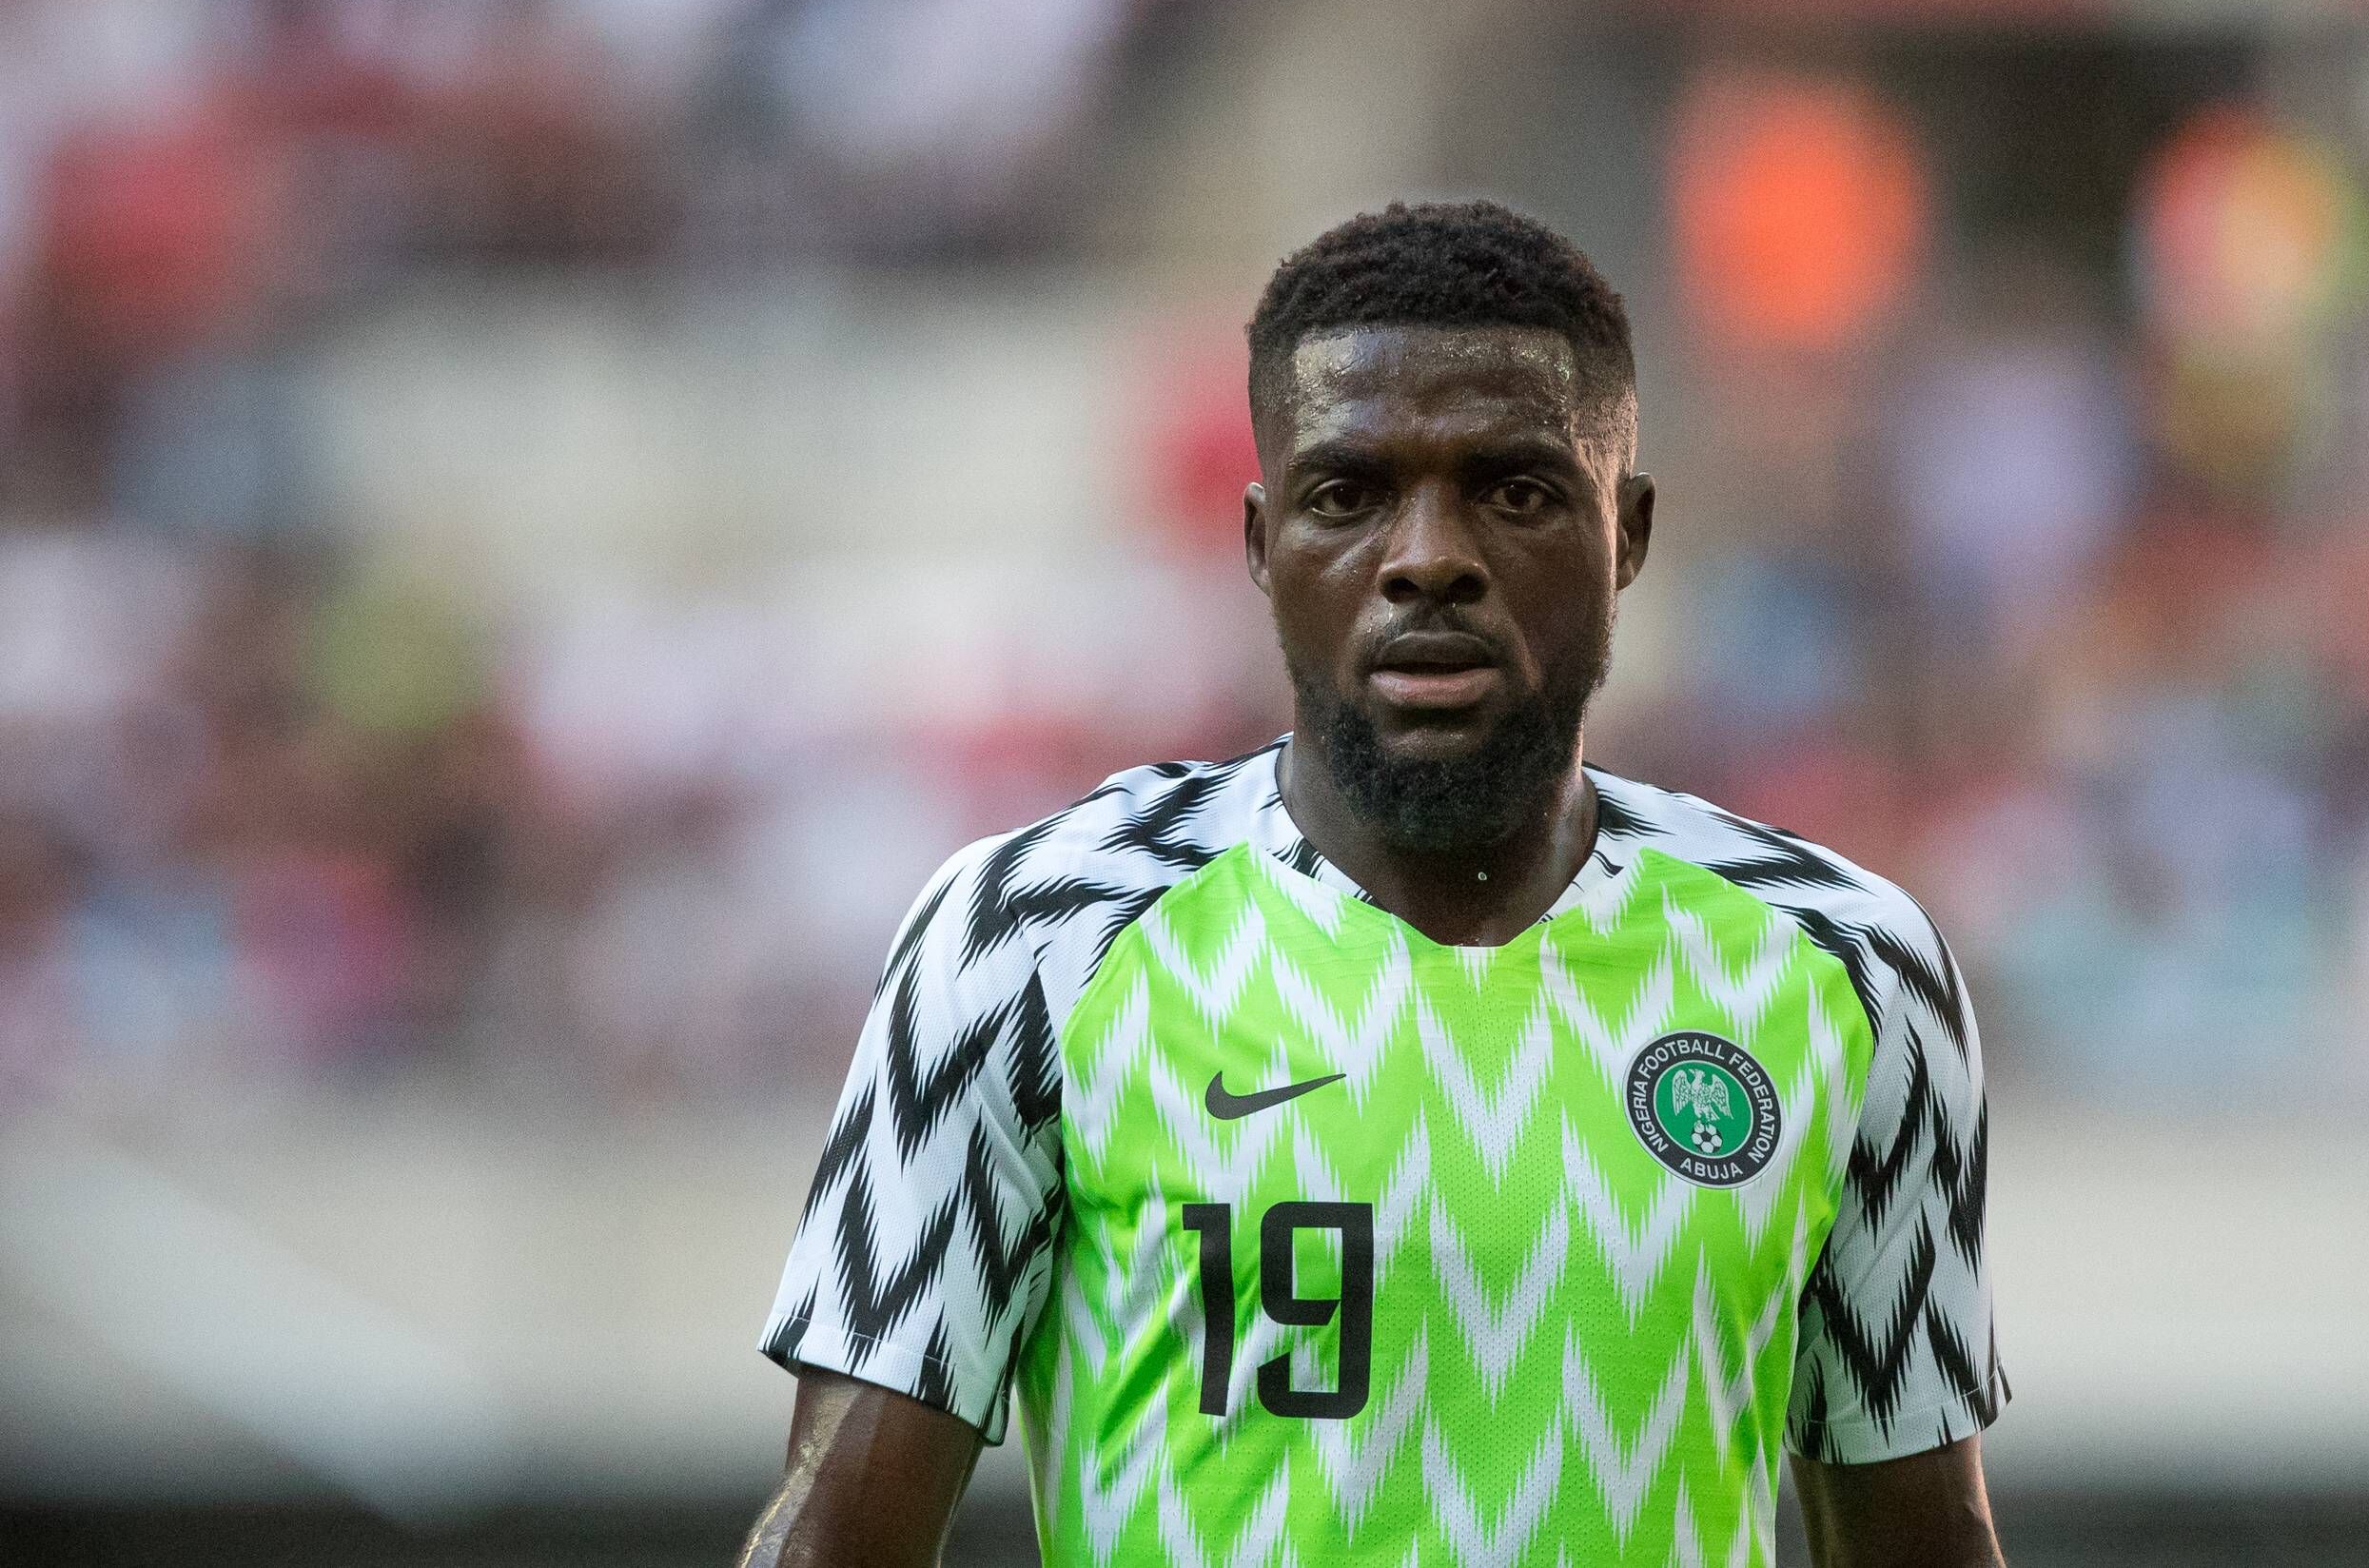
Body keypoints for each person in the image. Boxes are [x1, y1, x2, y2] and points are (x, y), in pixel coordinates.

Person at [738, 201, 2007, 1567]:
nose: (1427, 558)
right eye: (1347, 496)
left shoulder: (1846, 969)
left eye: (1516, 492)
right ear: (1259, 542)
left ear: (1628, 532)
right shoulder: (1033, 940)